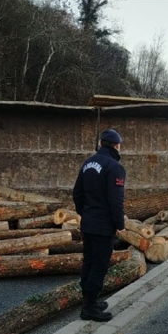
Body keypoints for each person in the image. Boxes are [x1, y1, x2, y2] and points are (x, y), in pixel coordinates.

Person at [73, 129, 126, 322]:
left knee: (88, 262)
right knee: (99, 266)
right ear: (116, 145)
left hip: (88, 223)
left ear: (101, 144)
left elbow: (77, 193)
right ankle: (89, 308)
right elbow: (115, 200)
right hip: (104, 226)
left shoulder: (88, 163)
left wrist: (84, 213)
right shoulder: (114, 167)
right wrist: (120, 224)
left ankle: (89, 299)